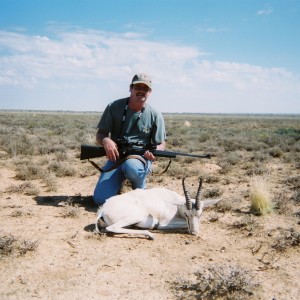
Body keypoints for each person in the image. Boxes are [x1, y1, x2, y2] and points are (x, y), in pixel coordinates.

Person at [93, 73, 166, 205]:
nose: (141, 91)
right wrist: (106, 141)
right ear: (130, 88)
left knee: (131, 166)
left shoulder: (155, 114)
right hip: (116, 158)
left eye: (145, 88)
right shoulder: (114, 107)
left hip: (139, 159)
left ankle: (139, 186)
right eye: (138, 87)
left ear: (150, 92)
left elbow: (161, 143)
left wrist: (154, 152)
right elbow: (100, 134)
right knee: (100, 200)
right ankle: (117, 183)